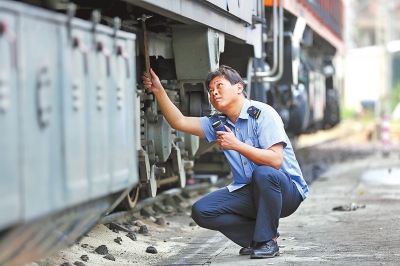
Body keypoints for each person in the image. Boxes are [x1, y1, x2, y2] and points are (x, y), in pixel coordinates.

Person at [142, 65, 308, 259]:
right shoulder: (218, 123)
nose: (214, 92)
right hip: (253, 191)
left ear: (239, 87)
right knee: (202, 210)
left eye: (219, 85)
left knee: (263, 173)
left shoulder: (263, 114)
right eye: (211, 90)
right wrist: (158, 89)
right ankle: (257, 238)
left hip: (286, 192)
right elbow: (179, 122)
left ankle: (267, 241)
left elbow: (275, 160)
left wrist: (237, 145)